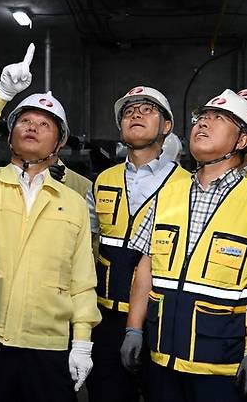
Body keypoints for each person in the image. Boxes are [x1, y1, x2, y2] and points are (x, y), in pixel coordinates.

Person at [122, 89, 247, 402]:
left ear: (242, 141)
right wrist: (133, 328)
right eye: (201, 118)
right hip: (162, 358)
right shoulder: (167, 195)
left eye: (218, 119)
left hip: (221, 364)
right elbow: (146, 266)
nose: (203, 124)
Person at [0, 44, 101, 402]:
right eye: (25, 120)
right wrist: (1, 95)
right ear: (11, 133)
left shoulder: (72, 202)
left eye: (45, 124)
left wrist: (81, 341)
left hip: (48, 345)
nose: (33, 127)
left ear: (60, 142)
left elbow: (82, 278)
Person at [86, 86, 190, 402]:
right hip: (106, 316)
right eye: (129, 111)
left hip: (162, 319)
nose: (135, 114)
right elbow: (85, 244)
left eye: (147, 109)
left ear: (167, 126)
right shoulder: (104, 180)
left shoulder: (186, 185)